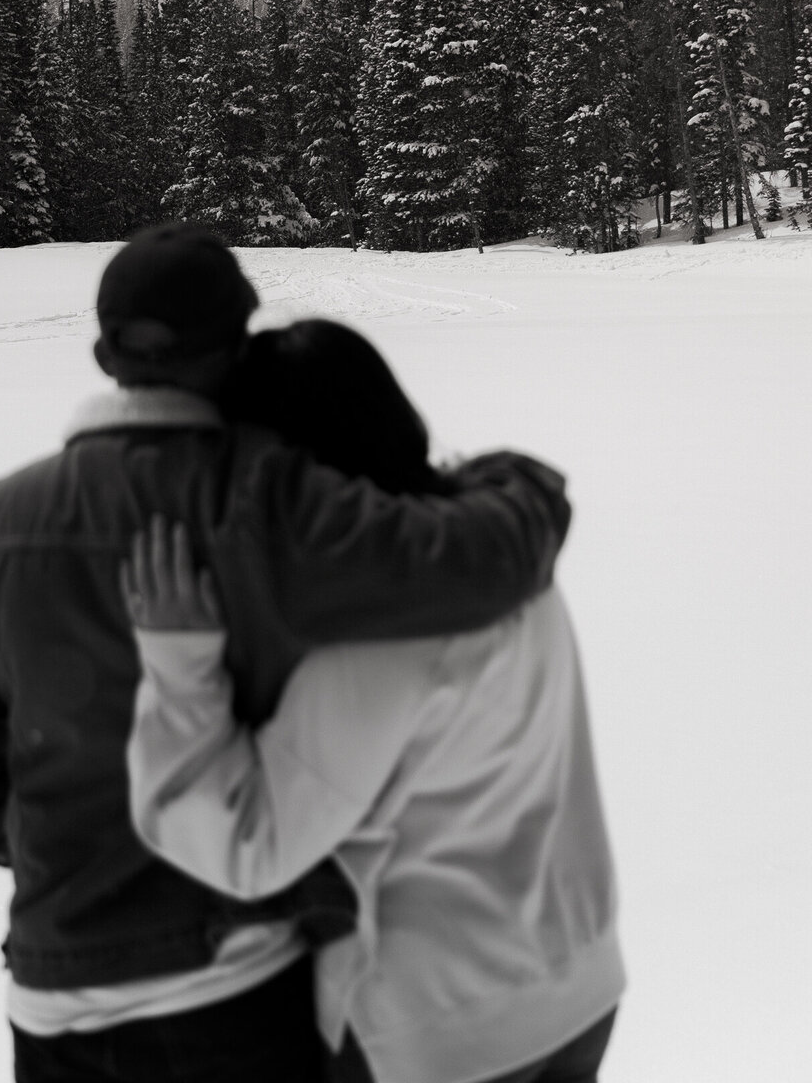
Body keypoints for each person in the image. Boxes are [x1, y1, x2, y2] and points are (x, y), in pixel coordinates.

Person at [0, 226, 572, 1083]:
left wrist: (40, 838)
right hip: (232, 984)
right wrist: (524, 485)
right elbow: (472, 565)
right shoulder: (269, 498)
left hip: (51, 992)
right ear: (238, 344)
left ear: (103, 351)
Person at [123, 319, 624, 1083]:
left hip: (442, 1030)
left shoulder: (380, 641)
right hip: (579, 983)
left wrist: (180, 667)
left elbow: (250, 845)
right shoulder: (505, 568)